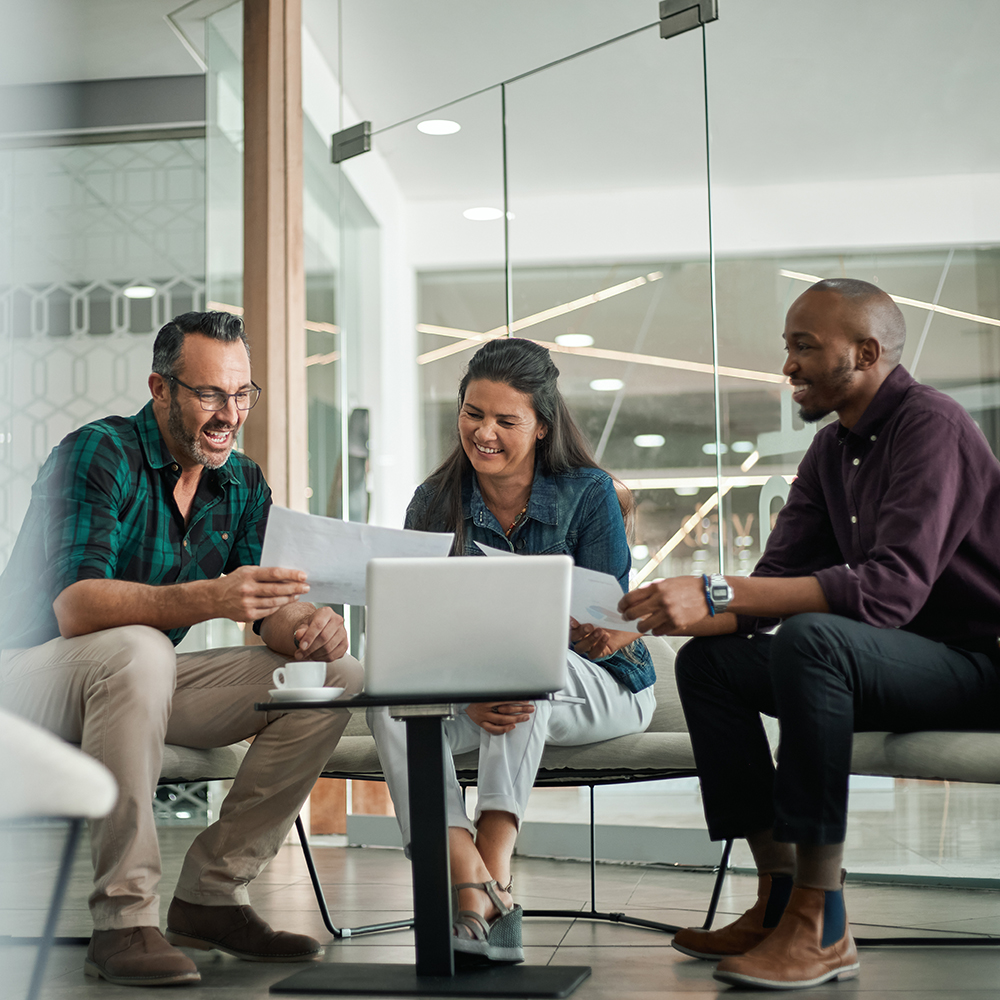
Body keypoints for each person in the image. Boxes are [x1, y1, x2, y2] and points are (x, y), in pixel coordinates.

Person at [618, 278, 1000, 991]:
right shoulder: (833, 452)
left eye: (804, 347)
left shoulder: (933, 427)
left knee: (813, 638)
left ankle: (823, 926)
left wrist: (720, 590)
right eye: (788, 347)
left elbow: (888, 590)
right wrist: (660, 615)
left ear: (866, 351)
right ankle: (779, 898)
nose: (788, 365)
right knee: (711, 663)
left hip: (977, 668)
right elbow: (773, 586)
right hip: (884, 665)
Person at [0, 311, 363, 987]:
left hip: (136, 679)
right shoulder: (97, 453)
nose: (230, 414)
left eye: (242, 394)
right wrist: (211, 596)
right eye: (210, 395)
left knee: (335, 675)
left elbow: (259, 609)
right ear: (161, 389)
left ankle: (211, 895)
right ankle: (123, 919)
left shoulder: (243, 482)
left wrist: (308, 624)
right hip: (26, 677)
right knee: (137, 647)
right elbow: (77, 607)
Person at [369, 337, 656, 964]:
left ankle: (489, 869)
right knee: (387, 701)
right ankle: (470, 883)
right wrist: (465, 692)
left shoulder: (588, 492)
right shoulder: (433, 500)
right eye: (473, 414)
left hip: (601, 684)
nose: (485, 433)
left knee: (520, 665)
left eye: (506, 420)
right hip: (479, 688)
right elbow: (418, 626)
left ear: (542, 426)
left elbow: (617, 617)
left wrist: (597, 630)